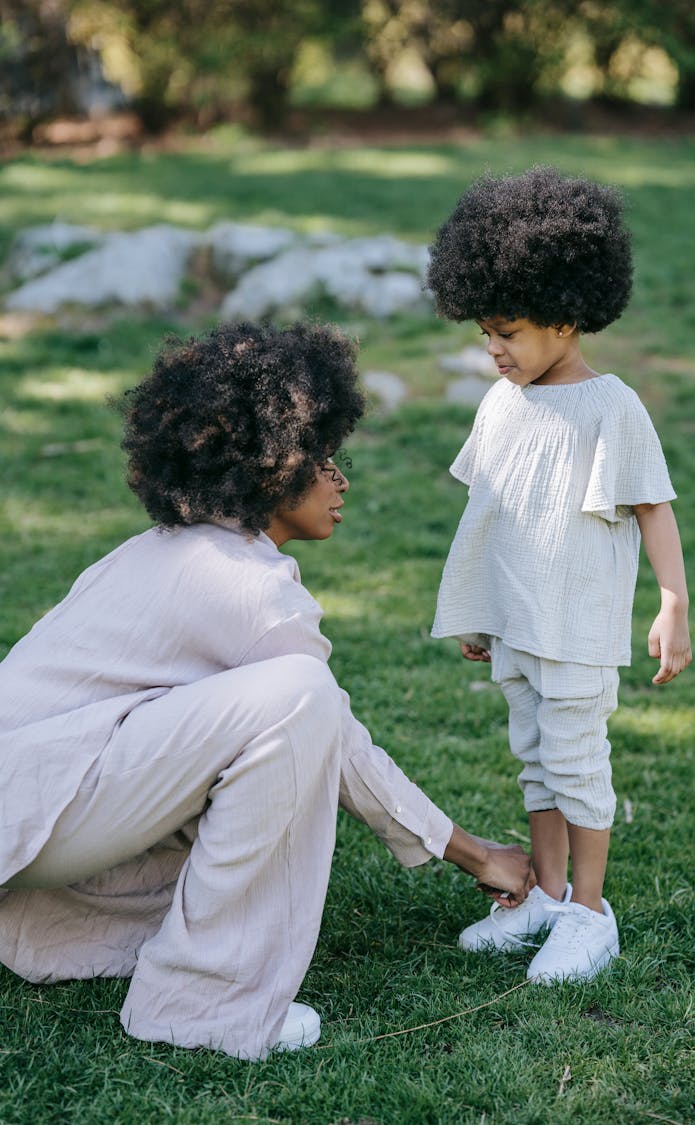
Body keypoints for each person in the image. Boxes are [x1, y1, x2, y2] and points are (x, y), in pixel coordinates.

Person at [0, 321, 534, 1061]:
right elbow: (335, 737)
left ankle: (107, 942)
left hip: (30, 813)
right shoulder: (244, 585)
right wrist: (477, 855)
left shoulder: (175, 547)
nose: (341, 479)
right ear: (270, 465)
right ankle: (199, 1004)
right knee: (299, 697)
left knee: (278, 709)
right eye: (323, 459)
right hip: (33, 812)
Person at [427, 167, 692, 984]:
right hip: (519, 619)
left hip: (575, 623)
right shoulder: (501, 402)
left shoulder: (612, 406)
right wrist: (482, 611)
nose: (495, 348)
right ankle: (544, 894)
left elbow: (653, 507)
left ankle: (589, 911)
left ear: (569, 317)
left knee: (577, 759)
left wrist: (673, 600)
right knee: (535, 755)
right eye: (486, 333)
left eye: (508, 330)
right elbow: (494, 516)